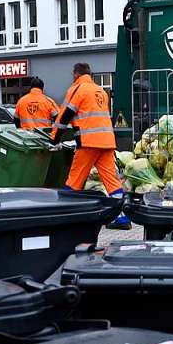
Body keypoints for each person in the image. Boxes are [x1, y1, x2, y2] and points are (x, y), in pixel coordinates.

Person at [52, 63, 132, 230]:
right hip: (107, 142)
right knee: (112, 182)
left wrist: (54, 139)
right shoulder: (101, 91)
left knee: (74, 181)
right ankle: (123, 218)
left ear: (75, 74)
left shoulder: (77, 89)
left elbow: (64, 116)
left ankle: (67, 218)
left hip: (88, 143)